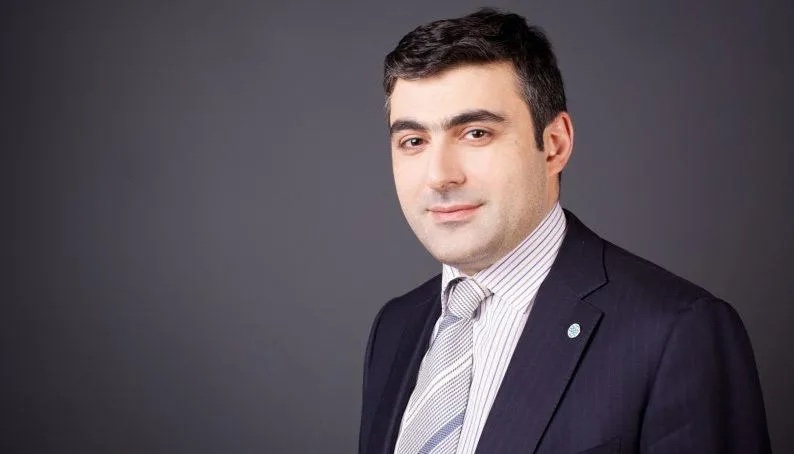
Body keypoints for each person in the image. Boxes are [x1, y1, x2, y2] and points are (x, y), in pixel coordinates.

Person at [358, 8, 771, 454]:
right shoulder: (395, 327)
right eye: (414, 141)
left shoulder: (676, 332)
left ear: (555, 145)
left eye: (476, 133)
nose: (439, 176)